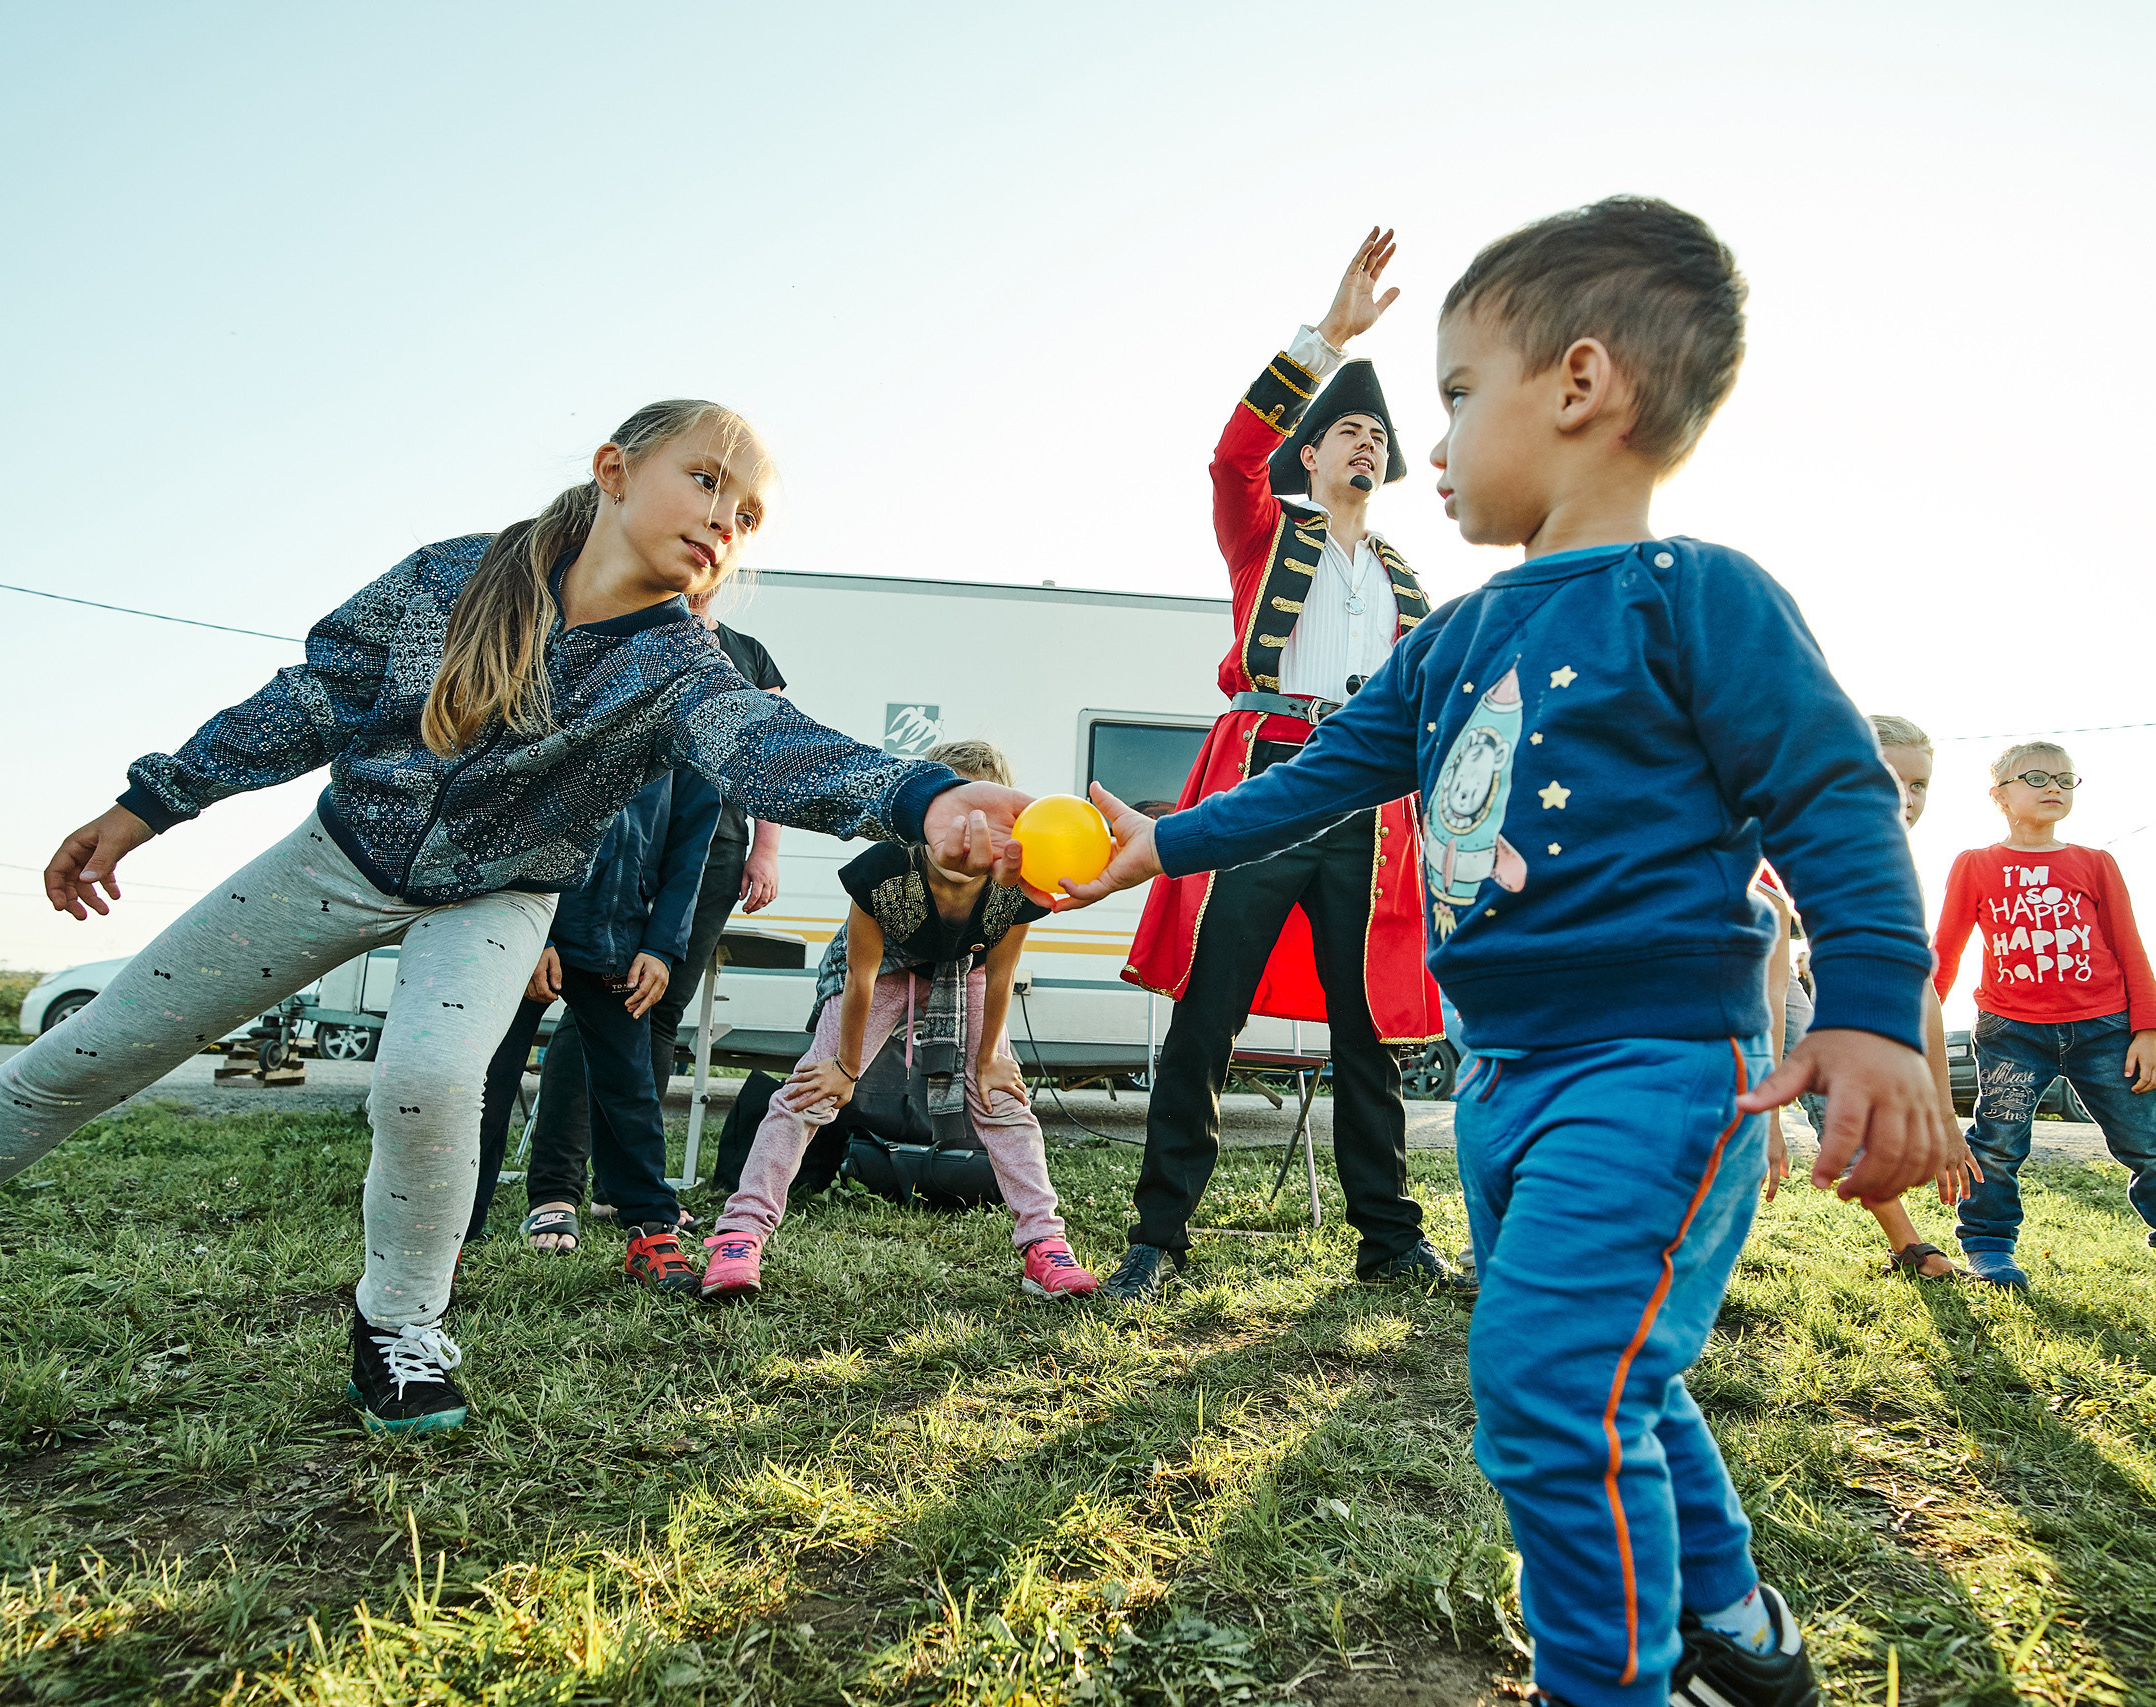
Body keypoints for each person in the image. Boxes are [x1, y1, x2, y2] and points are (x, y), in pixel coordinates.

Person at [1063, 197, 1950, 1707]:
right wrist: (1168, 839)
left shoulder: (1698, 597)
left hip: (1656, 1069)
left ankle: (1605, 1682)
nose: (1433, 442)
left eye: (1459, 394)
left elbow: (1832, 798)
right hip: (1500, 1078)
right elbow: (1321, 773)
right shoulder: (1452, 636)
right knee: (1609, 1369)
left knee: (1547, 1388)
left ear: (1581, 384)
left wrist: (1869, 1009)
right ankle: (1737, 1630)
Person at [0, 400, 1039, 1437]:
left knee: (428, 1077)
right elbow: (312, 700)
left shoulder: (683, 669)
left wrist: (927, 797)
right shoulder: (448, 580)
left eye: (748, 516)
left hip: (499, 893)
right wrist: (152, 803)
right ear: (615, 469)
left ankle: (399, 1327)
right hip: (340, 854)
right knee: (101, 1045)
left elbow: (775, 748)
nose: (723, 520)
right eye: (705, 480)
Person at [1113, 227, 1461, 1304]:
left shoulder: (1407, 574)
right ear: (1307, 455)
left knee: (1370, 1032)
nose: (1364, 444)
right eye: (1346, 430)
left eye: (1375, 436)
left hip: (1372, 804)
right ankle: (1158, 1238)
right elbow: (1231, 457)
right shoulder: (1266, 536)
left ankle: (1389, 1240)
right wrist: (1326, 340)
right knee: (1206, 1018)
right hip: (1265, 778)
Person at [699, 739, 1100, 1301]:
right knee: (811, 1090)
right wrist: (844, 1066)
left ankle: (1045, 1245)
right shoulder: (884, 870)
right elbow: (861, 977)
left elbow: (1001, 973)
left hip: (966, 966)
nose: (961, 832)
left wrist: (988, 1059)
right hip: (884, 963)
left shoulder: (1016, 883)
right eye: (949, 809)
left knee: (1001, 1099)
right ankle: (740, 1236)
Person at [1933, 741, 2156, 1297]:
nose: (2054, 787)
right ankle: (1989, 1247)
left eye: (2065, 779)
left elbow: (2128, 945)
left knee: (2151, 1146)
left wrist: (2147, 1030)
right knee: (1996, 1144)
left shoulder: (2095, 863)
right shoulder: (1975, 864)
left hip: (2104, 1029)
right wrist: (1911, 1025)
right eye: (2036, 777)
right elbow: (1945, 951)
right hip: (2011, 1032)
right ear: (1998, 796)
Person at [545, 595, 791, 1240]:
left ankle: (623, 1188)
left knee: (655, 1008)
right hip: (627, 840)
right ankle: (558, 1185)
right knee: (592, 1000)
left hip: (714, 848)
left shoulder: (748, 654)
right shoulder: (626, 629)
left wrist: (764, 850)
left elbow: (770, 757)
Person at [461, 764, 722, 1289]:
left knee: (630, 1089)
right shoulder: (550, 714)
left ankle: (652, 1233)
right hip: (524, 927)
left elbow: (690, 849)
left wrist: (662, 945)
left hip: (617, 942)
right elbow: (502, 808)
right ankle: (448, 1240)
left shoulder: (684, 733)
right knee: (483, 1088)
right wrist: (533, 933)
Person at [1770, 715, 1978, 1275]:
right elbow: (1767, 979)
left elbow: (1917, 990)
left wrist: (1943, 1114)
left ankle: (1909, 1247)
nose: (1906, 798)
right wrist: (1767, 1117)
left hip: (1769, 972)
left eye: (1919, 784)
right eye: (1887, 777)